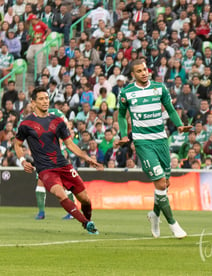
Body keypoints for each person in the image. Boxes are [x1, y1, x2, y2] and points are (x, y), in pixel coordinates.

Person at [117, 60, 192, 239]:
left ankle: (155, 216)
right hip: (143, 142)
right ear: (133, 75)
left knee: (165, 185)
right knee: (159, 183)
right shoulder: (127, 92)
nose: (144, 73)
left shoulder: (160, 88)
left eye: (145, 69)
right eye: (139, 71)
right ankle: (174, 225)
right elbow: (121, 115)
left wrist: (180, 125)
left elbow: (171, 109)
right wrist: (123, 134)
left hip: (161, 140)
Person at [14, 87, 102, 234]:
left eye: (47, 98)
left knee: (85, 199)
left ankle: (88, 222)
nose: (45, 101)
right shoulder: (26, 124)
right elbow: (17, 144)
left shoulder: (58, 121)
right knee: (60, 194)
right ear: (33, 102)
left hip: (63, 165)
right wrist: (23, 160)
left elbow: (69, 144)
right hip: (45, 169)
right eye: (41, 99)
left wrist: (86, 157)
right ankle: (85, 223)